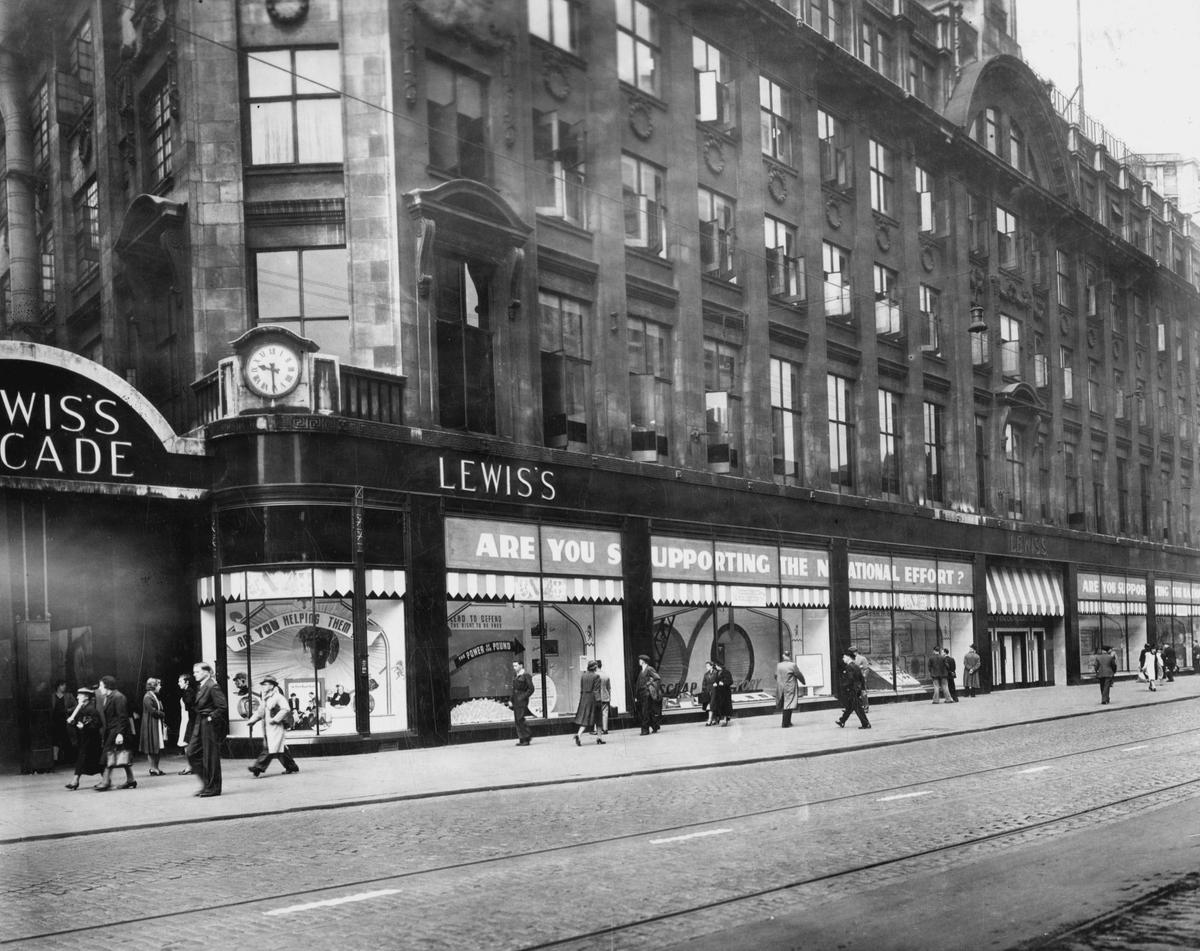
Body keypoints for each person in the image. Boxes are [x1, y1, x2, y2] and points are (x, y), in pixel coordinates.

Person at [187, 662, 228, 796]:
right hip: (200, 722)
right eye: (194, 672)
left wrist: (211, 717)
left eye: (197, 672)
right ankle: (207, 784)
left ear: (206, 672)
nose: (194, 674)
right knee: (191, 752)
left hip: (208, 723)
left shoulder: (212, 685)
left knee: (211, 756)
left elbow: (222, 706)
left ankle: (213, 787)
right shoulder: (203, 686)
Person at [247, 675, 300, 776]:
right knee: (279, 749)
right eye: (263, 684)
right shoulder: (265, 697)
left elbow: (286, 709)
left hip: (276, 727)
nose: (263, 686)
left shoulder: (278, 697)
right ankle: (292, 766)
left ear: (272, 686)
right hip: (268, 728)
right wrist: (252, 721)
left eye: (265, 684)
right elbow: (260, 711)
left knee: (270, 748)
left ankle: (258, 768)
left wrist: (275, 720)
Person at [94, 675, 136, 791]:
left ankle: (106, 781)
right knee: (121, 755)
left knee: (108, 755)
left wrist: (120, 734)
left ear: (107, 686)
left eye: (101, 686)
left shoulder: (118, 697)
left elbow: (122, 717)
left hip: (116, 731)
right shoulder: (110, 696)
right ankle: (131, 780)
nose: (100, 688)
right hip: (113, 731)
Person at [64, 686, 102, 790]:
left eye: (79, 695)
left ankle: (75, 781)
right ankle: (105, 779)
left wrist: (84, 726)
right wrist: (73, 721)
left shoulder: (91, 709)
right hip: (85, 739)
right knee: (94, 761)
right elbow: (77, 720)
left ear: (86, 697)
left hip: (92, 740)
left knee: (87, 760)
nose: (77, 697)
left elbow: (97, 724)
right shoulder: (82, 708)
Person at [835, 652, 871, 729]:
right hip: (857, 689)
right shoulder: (856, 666)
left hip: (852, 690)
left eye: (844, 657)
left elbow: (850, 679)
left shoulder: (849, 667)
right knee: (850, 706)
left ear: (849, 657)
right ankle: (842, 721)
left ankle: (866, 724)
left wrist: (843, 686)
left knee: (858, 708)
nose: (843, 659)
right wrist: (863, 689)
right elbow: (862, 678)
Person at [139, 677, 167, 776]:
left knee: (157, 746)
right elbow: (152, 711)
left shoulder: (154, 696)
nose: (160, 686)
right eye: (159, 685)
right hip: (150, 723)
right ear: (153, 686)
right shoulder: (147, 697)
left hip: (156, 723)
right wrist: (162, 714)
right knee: (152, 746)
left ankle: (156, 767)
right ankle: (153, 768)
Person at [573, 661, 604, 745]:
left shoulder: (583, 676)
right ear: (594, 667)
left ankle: (578, 735)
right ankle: (599, 738)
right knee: (599, 718)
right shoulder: (596, 676)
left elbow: (582, 688)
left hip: (584, 698)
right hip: (593, 699)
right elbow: (596, 690)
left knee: (585, 719)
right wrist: (599, 701)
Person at [774, 651, 806, 728]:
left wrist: (780, 681)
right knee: (788, 704)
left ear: (783, 656)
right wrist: (803, 682)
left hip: (781, 687)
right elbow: (799, 675)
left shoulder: (779, 665)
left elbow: (775, 675)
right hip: (790, 687)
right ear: (790, 656)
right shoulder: (792, 665)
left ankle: (788, 721)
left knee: (787, 704)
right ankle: (785, 723)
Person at [634, 654, 663, 734]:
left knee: (645, 712)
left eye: (640, 660)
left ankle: (645, 730)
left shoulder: (649, 669)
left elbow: (657, 678)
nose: (639, 661)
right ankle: (655, 725)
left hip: (647, 694)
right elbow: (638, 684)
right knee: (648, 711)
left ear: (643, 661)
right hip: (642, 694)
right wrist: (636, 695)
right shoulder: (642, 671)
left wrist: (648, 684)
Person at [510, 660, 534, 746]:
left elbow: (531, 689)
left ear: (521, 665)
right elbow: (514, 690)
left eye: (516, 666)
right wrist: (511, 700)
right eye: (513, 666)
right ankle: (522, 738)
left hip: (522, 701)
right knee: (517, 720)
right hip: (516, 700)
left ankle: (526, 738)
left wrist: (523, 697)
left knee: (520, 719)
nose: (514, 668)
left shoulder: (526, 675)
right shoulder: (516, 676)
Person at [176, 672, 196, 774]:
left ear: (186, 682)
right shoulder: (187, 692)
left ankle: (190, 767)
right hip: (186, 719)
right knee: (187, 744)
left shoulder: (188, 692)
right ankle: (191, 766)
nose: (178, 683)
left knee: (187, 744)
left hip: (188, 719)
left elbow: (190, 707)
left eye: (180, 681)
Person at [51, 680, 74, 767]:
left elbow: (75, 706)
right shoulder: (52, 696)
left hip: (65, 720)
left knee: (66, 739)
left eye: (64, 685)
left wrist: (68, 710)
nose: (64, 687)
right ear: (58, 686)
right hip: (54, 721)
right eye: (62, 685)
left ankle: (69, 758)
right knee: (55, 740)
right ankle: (55, 759)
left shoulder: (69, 696)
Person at [709, 659, 734, 727]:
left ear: (719, 666)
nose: (715, 667)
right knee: (719, 706)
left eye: (716, 665)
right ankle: (719, 719)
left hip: (725, 693)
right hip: (719, 693)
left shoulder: (726, 672)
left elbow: (730, 681)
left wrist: (723, 683)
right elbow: (717, 680)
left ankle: (725, 720)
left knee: (725, 706)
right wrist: (715, 683)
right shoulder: (717, 672)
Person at [593, 659, 612, 735]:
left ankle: (596, 730)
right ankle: (605, 729)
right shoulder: (606, 675)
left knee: (597, 714)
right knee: (605, 713)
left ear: (596, 666)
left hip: (597, 697)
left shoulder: (594, 675)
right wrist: (609, 697)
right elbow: (609, 688)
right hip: (605, 696)